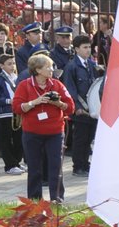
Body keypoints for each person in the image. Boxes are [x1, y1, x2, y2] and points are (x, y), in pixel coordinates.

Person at [12, 53, 75, 201]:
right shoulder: (24, 85)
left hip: (55, 133)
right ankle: (34, 201)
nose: (52, 69)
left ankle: (57, 199)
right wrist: (36, 102)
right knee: (34, 168)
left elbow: (70, 108)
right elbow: (16, 107)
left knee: (56, 167)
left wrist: (57, 103)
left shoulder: (57, 85)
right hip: (32, 133)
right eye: (48, 67)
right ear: (38, 70)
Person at [60, 35, 100, 176]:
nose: (88, 50)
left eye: (89, 47)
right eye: (84, 47)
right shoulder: (71, 67)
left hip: (92, 108)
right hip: (81, 109)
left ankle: (85, 163)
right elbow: (70, 90)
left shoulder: (91, 65)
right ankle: (78, 166)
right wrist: (76, 107)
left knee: (89, 137)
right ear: (76, 49)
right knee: (80, 139)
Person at [0, 52, 23, 173]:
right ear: (2, 66)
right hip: (4, 113)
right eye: (9, 64)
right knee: (6, 139)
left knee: (18, 138)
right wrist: (8, 101)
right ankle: (10, 165)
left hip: (17, 112)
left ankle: (17, 162)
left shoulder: (16, 78)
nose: (12, 66)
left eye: (13, 63)